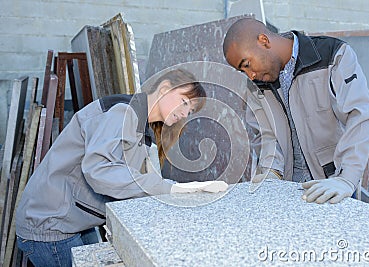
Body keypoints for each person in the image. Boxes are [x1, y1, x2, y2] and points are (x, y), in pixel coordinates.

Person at [16, 68, 228, 267]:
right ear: (164, 88)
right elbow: (101, 171)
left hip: (74, 220)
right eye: (184, 102)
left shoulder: (141, 127)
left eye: (190, 111)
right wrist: (170, 189)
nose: (184, 114)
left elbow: (133, 181)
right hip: (49, 226)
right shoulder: (121, 113)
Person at [223, 18, 369, 204]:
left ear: (264, 41)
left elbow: (360, 116)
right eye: (243, 71)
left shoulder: (333, 55)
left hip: (333, 185)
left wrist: (346, 178)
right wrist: (272, 172)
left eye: (246, 64)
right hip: (287, 191)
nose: (250, 75)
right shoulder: (256, 85)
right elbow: (266, 135)